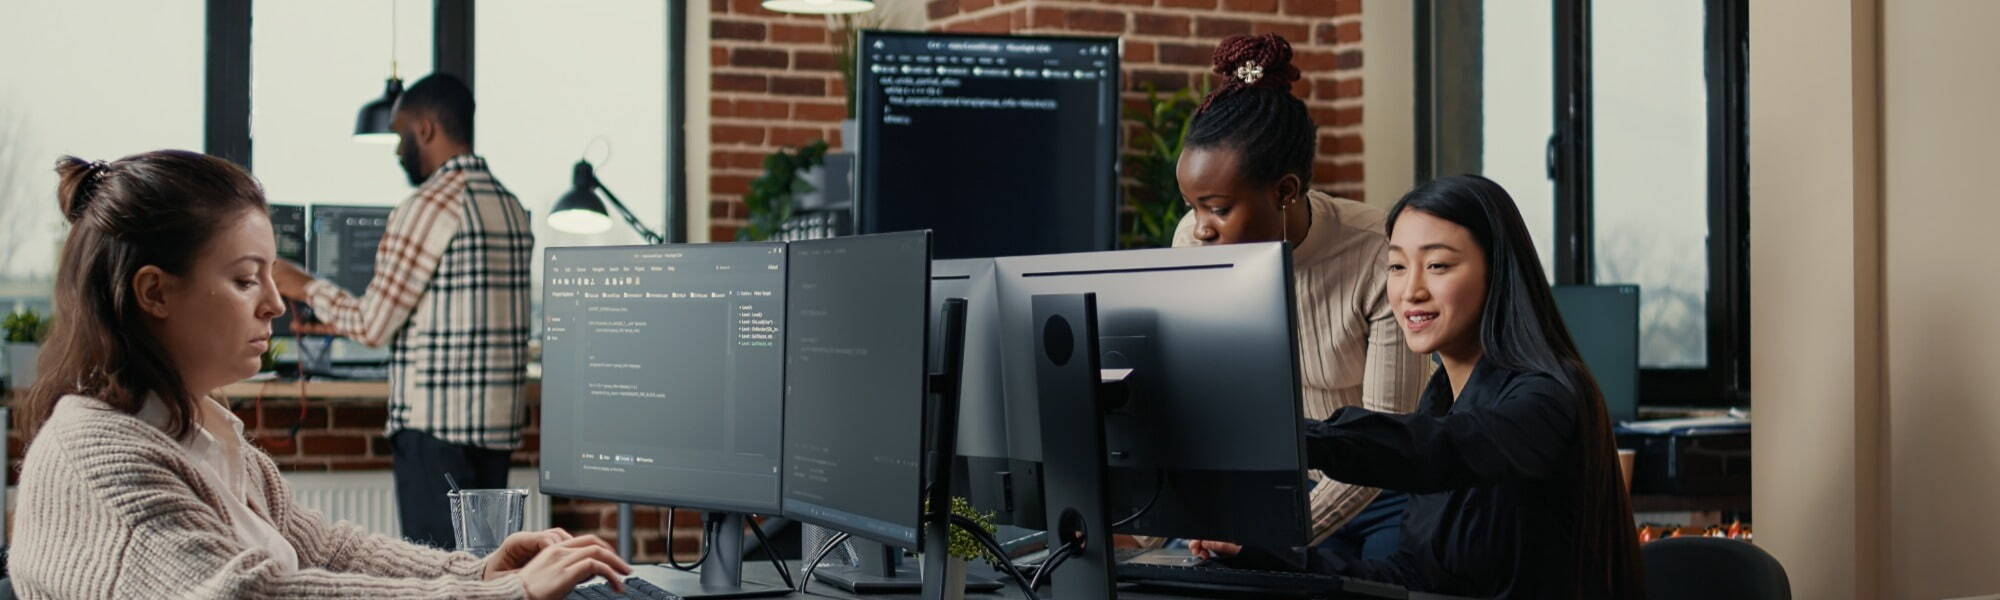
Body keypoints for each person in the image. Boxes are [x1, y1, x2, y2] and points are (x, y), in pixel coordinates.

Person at [13, 150, 630, 599]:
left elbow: (325, 550)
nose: (276, 305)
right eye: (245, 278)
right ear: (155, 292)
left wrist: (481, 569)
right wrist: (503, 596)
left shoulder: (199, 431)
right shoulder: (98, 457)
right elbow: (255, 598)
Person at [1191, 175, 1646, 598]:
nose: (1411, 290)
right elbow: (1416, 578)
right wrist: (1266, 560)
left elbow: (1442, 450)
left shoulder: (1548, 397)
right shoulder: (1442, 401)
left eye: (1438, 265)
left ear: (1498, 274)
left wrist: (1293, 438)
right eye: (1395, 266)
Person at [1172, 33, 1429, 560]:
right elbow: (1199, 399)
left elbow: (1385, 443)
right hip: (1273, 485)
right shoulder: (1191, 243)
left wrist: (1275, 528)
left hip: (1388, 490)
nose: (1199, 229)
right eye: (1192, 206)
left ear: (1285, 192)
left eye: (1217, 208)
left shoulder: (1378, 253)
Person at [273, 73, 536, 549]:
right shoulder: (510, 207)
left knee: (436, 575)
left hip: (435, 430)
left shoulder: (429, 205)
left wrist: (304, 285)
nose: (397, 151)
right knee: (485, 570)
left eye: (400, 134)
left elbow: (374, 325)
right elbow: (455, 311)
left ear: (427, 129)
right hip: (493, 430)